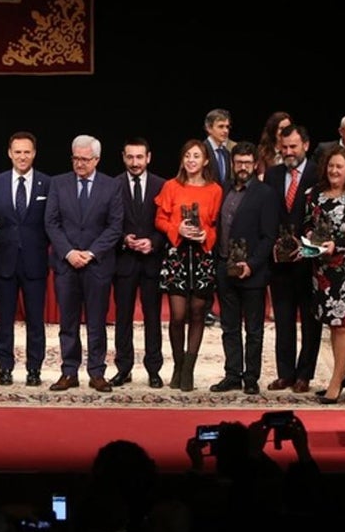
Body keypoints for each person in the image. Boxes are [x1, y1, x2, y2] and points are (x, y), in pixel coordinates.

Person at [45, 134, 124, 392]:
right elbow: (52, 223)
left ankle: (97, 372)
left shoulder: (111, 186)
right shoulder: (58, 183)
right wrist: (69, 252)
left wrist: (90, 253)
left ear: (97, 160)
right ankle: (69, 371)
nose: (79, 164)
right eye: (75, 158)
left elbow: (114, 227)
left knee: (96, 322)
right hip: (66, 265)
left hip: (97, 265)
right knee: (67, 322)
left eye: (85, 159)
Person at [302, 146, 345, 403]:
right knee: (333, 324)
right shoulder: (314, 195)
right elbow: (308, 223)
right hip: (322, 269)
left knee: (344, 325)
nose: (334, 170)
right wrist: (311, 237)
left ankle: (336, 381)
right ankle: (340, 375)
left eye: (339, 166)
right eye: (331, 166)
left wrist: (337, 245)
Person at [210, 142, 277, 395]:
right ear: (232, 163)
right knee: (229, 326)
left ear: (255, 164)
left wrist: (251, 264)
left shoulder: (265, 193)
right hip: (225, 268)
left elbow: (268, 236)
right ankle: (232, 374)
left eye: (247, 163)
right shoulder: (223, 189)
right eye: (238, 162)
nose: (243, 167)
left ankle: (251, 377)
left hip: (252, 272)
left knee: (253, 329)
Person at [154, 139, 222, 390]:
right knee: (177, 315)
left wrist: (208, 236)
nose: (191, 160)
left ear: (205, 161)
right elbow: (160, 219)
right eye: (187, 156)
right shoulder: (171, 186)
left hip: (202, 256)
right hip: (177, 256)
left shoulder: (215, 190)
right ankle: (178, 364)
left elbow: (216, 225)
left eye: (196, 156)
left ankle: (189, 370)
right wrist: (177, 228)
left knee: (197, 313)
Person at [0, 131, 51, 387]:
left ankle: (34, 369)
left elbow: (51, 222)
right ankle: (4, 367)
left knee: (36, 320)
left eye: (27, 152)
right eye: (18, 152)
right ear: (9, 153)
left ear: (34, 153)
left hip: (35, 262)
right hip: (5, 261)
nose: (22, 157)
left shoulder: (47, 183)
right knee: (4, 319)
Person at [265, 123, 322, 393]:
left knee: (310, 322)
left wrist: (309, 244)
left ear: (306, 145)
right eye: (284, 147)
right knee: (284, 319)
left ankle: (304, 375)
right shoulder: (274, 175)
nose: (288, 152)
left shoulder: (318, 174)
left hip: (310, 262)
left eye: (293, 147)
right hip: (280, 262)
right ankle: (285, 373)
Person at [111, 137, 167, 388]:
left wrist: (153, 242)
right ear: (123, 157)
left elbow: (166, 222)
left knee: (152, 317)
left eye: (139, 157)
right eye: (130, 157)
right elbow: (109, 222)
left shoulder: (161, 185)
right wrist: (125, 239)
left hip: (151, 262)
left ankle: (153, 369)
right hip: (123, 261)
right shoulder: (113, 185)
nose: (135, 162)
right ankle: (123, 368)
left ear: (149, 157)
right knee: (122, 317)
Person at [255, 110, 292, 181]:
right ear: (273, 130)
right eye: (281, 128)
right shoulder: (262, 151)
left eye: (288, 128)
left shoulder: (293, 152)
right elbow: (262, 179)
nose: (285, 132)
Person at [203, 108, 234, 186]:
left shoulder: (226, 153)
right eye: (221, 126)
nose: (226, 131)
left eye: (227, 127)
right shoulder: (202, 150)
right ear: (209, 128)